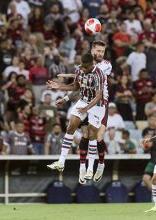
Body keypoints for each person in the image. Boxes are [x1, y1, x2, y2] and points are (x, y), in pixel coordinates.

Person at [55, 40, 112, 183]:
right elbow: (81, 81)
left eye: (102, 52)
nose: (100, 54)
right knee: (85, 133)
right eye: (98, 51)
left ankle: (101, 164)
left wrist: (68, 75)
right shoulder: (84, 64)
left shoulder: (106, 66)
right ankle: (82, 168)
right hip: (87, 100)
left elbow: (88, 75)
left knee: (98, 137)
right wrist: (66, 94)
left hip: (101, 103)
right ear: (92, 51)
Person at [46, 53, 105, 182]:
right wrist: (59, 88)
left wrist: (87, 108)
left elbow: (99, 96)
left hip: (97, 104)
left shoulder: (99, 74)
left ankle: (90, 168)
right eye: (81, 66)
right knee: (71, 126)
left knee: (91, 133)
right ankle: (61, 161)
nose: (82, 69)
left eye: (85, 66)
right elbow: (75, 87)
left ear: (91, 64)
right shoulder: (79, 70)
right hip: (83, 101)